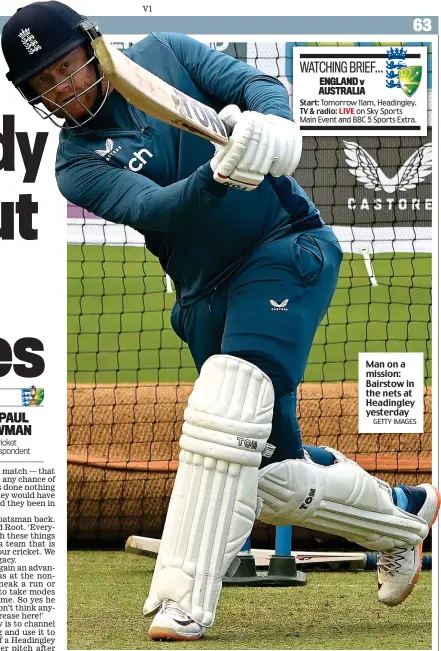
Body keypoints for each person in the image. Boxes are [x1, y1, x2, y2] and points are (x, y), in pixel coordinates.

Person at [2, 2, 439, 642]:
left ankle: (182, 601)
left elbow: (257, 86)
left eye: (65, 67)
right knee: (269, 472)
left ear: (90, 50)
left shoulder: (167, 54)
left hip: (284, 247)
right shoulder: (75, 163)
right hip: (204, 294)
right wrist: (218, 173)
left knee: (227, 401)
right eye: (45, 83)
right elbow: (158, 208)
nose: (63, 88)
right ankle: (405, 518)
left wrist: (268, 126)